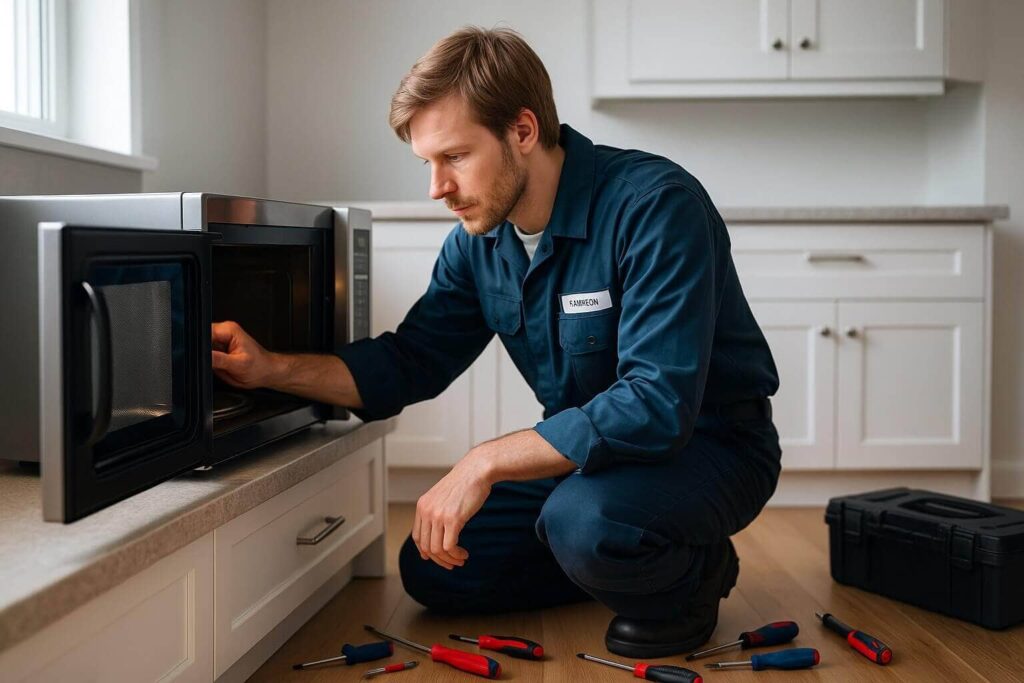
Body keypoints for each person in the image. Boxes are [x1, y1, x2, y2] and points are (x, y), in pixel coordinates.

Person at [211, 26, 781, 658]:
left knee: (583, 525)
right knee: (434, 563)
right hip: (592, 467)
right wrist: (269, 369)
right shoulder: (478, 244)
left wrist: (481, 461)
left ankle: (692, 573)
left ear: (523, 131)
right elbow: (410, 362)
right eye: (427, 164)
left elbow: (655, 404)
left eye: (454, 157)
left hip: (714, 449)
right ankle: (625, 547)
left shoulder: (654, 206)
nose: (437, 188)